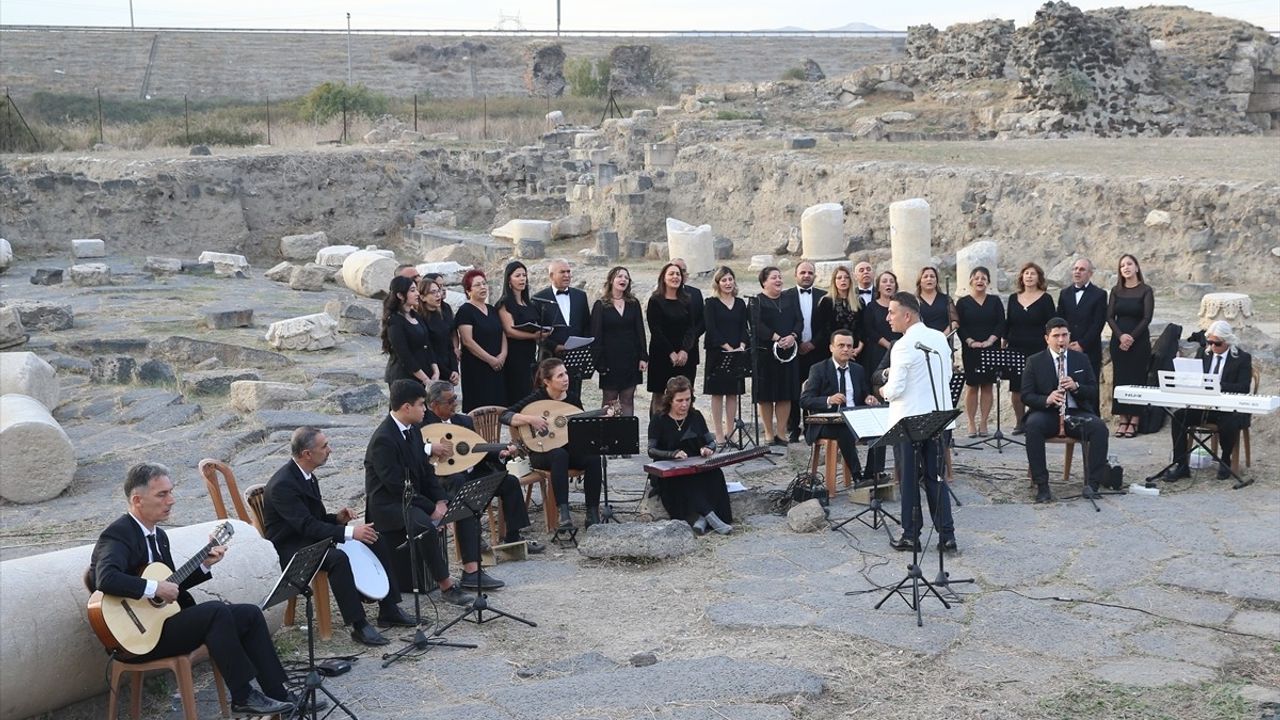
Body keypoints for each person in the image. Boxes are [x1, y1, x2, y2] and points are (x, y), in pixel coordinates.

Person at [88, 463, 297, 717]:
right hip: (138, 638)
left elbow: (171, 586)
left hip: (161, 623)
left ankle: (279, 694)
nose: (171, 500)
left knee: (249, 614)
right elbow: (106, 579)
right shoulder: (118, 534)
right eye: (162, 494)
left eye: (171, 492)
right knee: (216, 612)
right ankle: (243, 696)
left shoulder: (159, 536)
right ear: (137, 500)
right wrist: (154, 587)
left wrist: (204, 565)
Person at [262, 427, 414, 647]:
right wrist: (350, 532)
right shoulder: (283, 485)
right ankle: (359, 625)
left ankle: (389, 608)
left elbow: (316, 518)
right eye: (324, 446)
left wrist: (337, 519)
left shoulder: (306, 475)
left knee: (375, 538)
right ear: (307, 454)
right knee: (337, 559)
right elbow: (306, 525)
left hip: (308, 538)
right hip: (292, 549)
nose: (329, 450)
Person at [364, 380, 475, 606]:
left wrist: (441, 500)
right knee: (424, 526)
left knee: (462, 506)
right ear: (406, 407)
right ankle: (446, 586)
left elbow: (425, 471)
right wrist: (431, 509)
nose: (425, 409)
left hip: (410, 497)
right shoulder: (384, 440)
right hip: (389, 505)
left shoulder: (413, 430)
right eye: (421, 405)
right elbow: (395, 486)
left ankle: (472, 569)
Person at [421, 380, 544, 555]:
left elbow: (478, 449)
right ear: (433, 405)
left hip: (472, 473)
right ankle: (474, 539)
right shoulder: (422, 426)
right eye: (449, 401)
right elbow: (413, 452)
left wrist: (500, 453)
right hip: (446, 480)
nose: (455, 403)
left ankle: (513, 539)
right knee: (458, 480)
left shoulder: (463, 421)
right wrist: (430, 448)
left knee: (509, 481)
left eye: (455, 398)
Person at [881, 292, 957, 553]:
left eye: (892, 312)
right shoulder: (939, 337)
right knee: (936, 478)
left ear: (907, 315)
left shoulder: (902, 346)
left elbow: (896, 389)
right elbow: (946, 376)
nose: (887, 317)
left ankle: (911, 535)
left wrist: (883, 389)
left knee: (910, 480)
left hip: (910, 423)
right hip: (939, 420)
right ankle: (947, 536)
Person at [502, 359, 606, 529]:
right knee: (559, 455)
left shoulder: (572, 399)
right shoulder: (537, 398)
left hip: (568, 450)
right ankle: (563, 514)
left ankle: (592, 513)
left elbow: (582, 429)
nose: (566, 378)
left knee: (593, 458)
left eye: (565, 373)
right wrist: (531, 419)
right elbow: (505, 415)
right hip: (540, 453)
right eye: (560, 375)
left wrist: (601, 418)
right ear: (547, 382)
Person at [1021, 318, 1111, 503]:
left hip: (1076, 412)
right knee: (1033, 426)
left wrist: (1076, 386)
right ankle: (1042, 485)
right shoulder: (1034, 361)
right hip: (1047, 413)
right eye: (1056, 336)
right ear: (1047, 338)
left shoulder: (1081, 359)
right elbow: (1026, 395)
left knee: (1099, 428)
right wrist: (1047, 399)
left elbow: (1093, 391)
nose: (1061, 340)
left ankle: (1092, 484)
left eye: (1064, 335)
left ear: (1069, 336)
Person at [1161, 320, 1254, 481]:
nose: (1212, 347)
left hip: (1229, 408)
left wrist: (1217, 385)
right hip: (1204, 406)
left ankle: (1225, 459)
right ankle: (1181, 464)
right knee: (1178, 417)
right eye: (1209, 342)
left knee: (1229, 422)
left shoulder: (1242, 358)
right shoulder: (1204, 353)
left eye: (1216, 343)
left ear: (1228, 341)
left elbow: (1244, 387)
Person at [646, 376, 734, 534]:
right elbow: (651, 450)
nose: (684, 404)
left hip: (695, 466)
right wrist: (672, 454)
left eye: (687, 399)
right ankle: (710, 517)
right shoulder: (659, 420)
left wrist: (708, 448)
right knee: (684, 481)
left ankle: (701, 519)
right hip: (668, 471)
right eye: (679, 400)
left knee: (715, 474)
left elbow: (711, 442)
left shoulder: (696, 416)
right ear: (670, 400)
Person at [799, 329, 880, 478]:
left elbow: (864, 394)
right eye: (841, 345)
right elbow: (805, 400)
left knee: (880, 431)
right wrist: (829, 400)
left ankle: (872, 475)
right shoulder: (818, 369)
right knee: (845, 430)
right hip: (826, 424)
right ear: (831, 348)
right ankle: (857, 476)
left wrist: (869, 398)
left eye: (849, 346)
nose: (845, 349)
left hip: (855, 419)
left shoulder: (858, 370)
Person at [1004, 262, 1057, 435]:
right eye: (1026, 273)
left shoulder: (1046, 299)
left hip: (1038, 349)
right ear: (1021, 277)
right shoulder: (1013, 298)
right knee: (1017, 388)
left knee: (1037, 387)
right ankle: (1020, 422)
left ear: (1039, 277)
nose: (1029, 276)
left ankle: (1035, 422)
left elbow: (1051, 325)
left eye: (1033, 273)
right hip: (1016, 348)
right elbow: (1009, 322)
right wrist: (1003, 340)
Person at [752, 266, 802, 446]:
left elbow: (799, 321)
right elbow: (756, 325)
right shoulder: (757, 301)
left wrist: (792, 336)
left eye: (780, 277)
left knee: (785, 394)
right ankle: (768, 433)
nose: (778, 280)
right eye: (774, 277)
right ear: (764, 282)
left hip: (788, 352)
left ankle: (781, 433)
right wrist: (776, 338)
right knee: (765, 395)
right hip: (766, 353)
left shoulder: (790, 298)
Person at [589, 266, 647, 417]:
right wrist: (599, 362)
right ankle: (607, 436)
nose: (623, 280)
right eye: (619, 276)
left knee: (628, 399)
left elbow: (640, 331)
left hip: (630, 358)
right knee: (610, 401)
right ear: (611, 280)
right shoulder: (601, 305)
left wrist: (643, 356)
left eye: (626, 277)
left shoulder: (633, 303)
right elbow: (595, 335)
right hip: (609, 360)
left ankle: (626, 437)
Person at [1108, 253, 1155, 438]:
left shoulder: (1146, 290)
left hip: (1139, 341)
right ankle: (1122, 419)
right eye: (1122, 266)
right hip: (1118, 341)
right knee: (1120, 379)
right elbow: (1110, 316)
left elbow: (1147, 317)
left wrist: (1131, 338)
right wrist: (1121, 337)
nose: (1125, 268)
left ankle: (1134, 420)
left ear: (1136, 267)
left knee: (1137, 379)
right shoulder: (1116, 290)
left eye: (1129, 264)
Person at [956, 266, 1005, 437]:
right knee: (972, 386)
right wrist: (970, 341)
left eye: (983, 278)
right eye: (976, 278)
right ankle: (970, 422)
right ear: (970, 281)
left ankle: (983, 422)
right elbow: (959, 325)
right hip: (971, 349)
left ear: (988, 282)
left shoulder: (995, 301)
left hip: (991, 348)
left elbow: (1001, 323)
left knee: (987, 385)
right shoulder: (962, 303)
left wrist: (990, 341)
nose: (980, 281)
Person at [703, 266, 749, 446]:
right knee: (717, 394)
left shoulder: (739, 303)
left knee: (733, 393)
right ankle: (719, 434)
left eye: (730, 279)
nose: (728, 283)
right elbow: (711, 328)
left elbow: (744, 327)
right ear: (718, 283)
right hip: (718, 352)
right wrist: (727, 347)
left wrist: (742, 346)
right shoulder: (711, 303)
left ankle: (731, 432)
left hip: (737, 352)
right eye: (724, 280)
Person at [533, 259, 591, 399]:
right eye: (562, 272)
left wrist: (583, 347)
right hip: (550, 357)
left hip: (575, 356)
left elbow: (586, 325)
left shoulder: (580, 296)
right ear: (551, 276)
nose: (567, 275)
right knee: (550, 398)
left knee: (574, 396)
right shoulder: (539, 298)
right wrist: (555, 346)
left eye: (568, 272)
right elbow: (536, 331)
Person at [647, 262, 700, 414]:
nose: (675, 277)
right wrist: (671, 352)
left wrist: (684, 350)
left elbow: (691, 329)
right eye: (671, 274)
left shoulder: (687, 300)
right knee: (660, 396)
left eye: (678, 274)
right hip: (662, 354)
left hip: (684, 356)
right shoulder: (655, 300)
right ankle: (657, 434)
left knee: (684, 395)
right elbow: (656, 330)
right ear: (663, 278)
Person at [783, 261, 828, 443]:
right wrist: (799, 342)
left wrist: (812, 343)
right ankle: (794, 428)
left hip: (816, 350)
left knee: (814, 389)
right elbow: (784, 323)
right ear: (796, 275)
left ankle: (812, 427)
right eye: (803, 272)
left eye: (810, 272)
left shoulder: (823, 296)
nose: (806, 275)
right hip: (793, 350)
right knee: (794, 389)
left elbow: (826, 326)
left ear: (814, 276)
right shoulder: (786, 296)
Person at [455, 269, 507, 411]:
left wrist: (502, 355)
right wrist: (490, 359)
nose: (483, 287)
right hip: (477, 366)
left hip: (497, 365)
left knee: (497, 410)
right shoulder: (466, 311)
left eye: (484, 283)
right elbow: (467, 341)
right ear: (468, 291)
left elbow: (502, 333)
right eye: (477, 285)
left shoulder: (492, 309)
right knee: (479, 411)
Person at [497, 261, 546, 405]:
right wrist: (534, 336)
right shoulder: (505, 303)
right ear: (509, 280)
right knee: (519, 393)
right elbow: (509, 331)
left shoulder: (529, 303)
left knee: (531, 391)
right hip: (514, 354)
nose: (522, 279)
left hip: (530, 353)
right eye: (517, 275)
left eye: (524, 275)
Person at [381, 275, 438, 390]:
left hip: (424, 373)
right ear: (400, 295)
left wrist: (435, 369)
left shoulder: (415, 315)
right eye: (412, 290)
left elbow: (427, 344)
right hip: (404, 378)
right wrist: (425, 379)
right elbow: (404, 355)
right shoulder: (394, 321)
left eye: (416, 289)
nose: (417, 293)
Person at [1056, 258, 1108, 379]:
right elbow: (1060, 320)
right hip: (1066, 348)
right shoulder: (1064, 293)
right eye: (1075, 269)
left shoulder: (1099, 294)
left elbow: (1098, 323)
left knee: (1089, 388)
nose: (1077, 272)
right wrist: (1065, 341)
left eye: (1082, 269)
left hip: (1090, 350)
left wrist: (1082, 344)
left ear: (1090, 273)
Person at [814, 264, 863, 366]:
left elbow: (863, 326)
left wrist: (857, 348)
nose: (843, 280)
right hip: (832, 351)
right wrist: (838, 349)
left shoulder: (859, 301)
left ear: (850, 280)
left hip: (855, 351)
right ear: (834, 281)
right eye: (839, 278)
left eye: (846, 277)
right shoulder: (826, 301)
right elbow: (823, 328)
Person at [860, 271, 900, 386]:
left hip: (898, 348)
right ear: (878, 287)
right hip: (878, 350)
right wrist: (888, 345)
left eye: (892, 282)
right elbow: (869, 329)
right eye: (884, 281)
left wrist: (895, 346)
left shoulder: (901, 306)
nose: (888, 284)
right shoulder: (871, 306)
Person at [417, 275, 459, 385]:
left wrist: (455, 370)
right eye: (433, 292)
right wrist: (447, 372)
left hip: (448, 367)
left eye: (438, 291)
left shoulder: (444, 312)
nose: (438, 295)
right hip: (432, 371)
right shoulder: (420, 318)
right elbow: (429, 349)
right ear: (422, 297)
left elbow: (449, 342)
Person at [916, 266, 958, 343]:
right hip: (923, 343)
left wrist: (942, 336)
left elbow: (954, 321)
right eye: (925, 277)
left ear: (936, 280)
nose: (929, 279)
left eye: (932, 276)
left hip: (944, 340)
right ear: (920, 281)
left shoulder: (946, 299)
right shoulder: (914, 301)